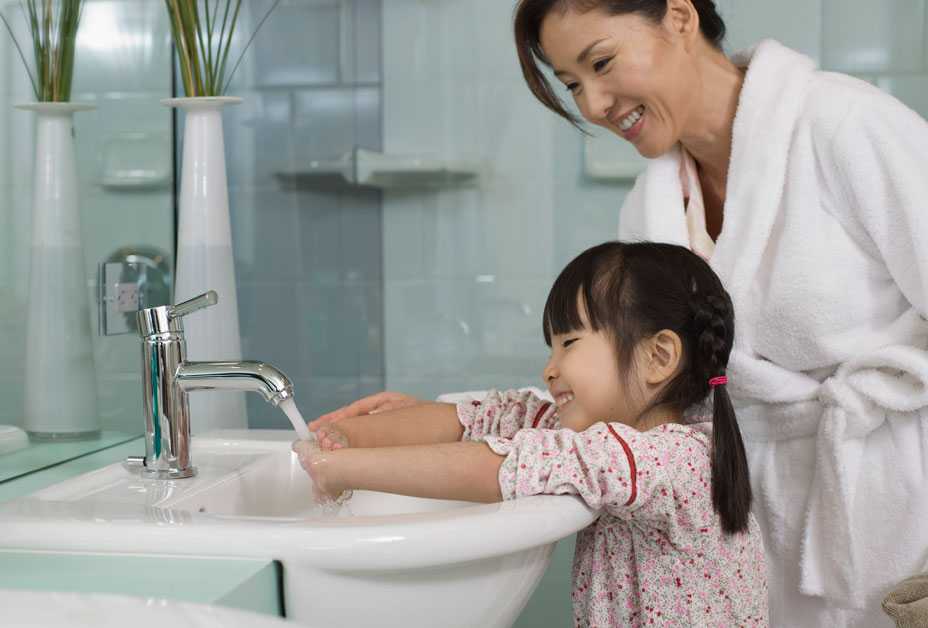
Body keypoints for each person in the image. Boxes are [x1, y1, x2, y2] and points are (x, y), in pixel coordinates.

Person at [317, 1, 928, 625]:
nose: (591, 105)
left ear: (680, 17)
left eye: (601, 62)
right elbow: (622, 392)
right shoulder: (651, 206)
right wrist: (413, 421)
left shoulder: (844, 126)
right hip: (746, 518)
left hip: (890, 505)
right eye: (573, 84)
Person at [297, 241, 768, 626]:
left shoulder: (677, 460)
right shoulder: (594, 437)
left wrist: (341, 469)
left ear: (657, 357)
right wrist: (354, 435)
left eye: (568, 344)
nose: (550, 368)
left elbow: (498, 467)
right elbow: (481, 420)